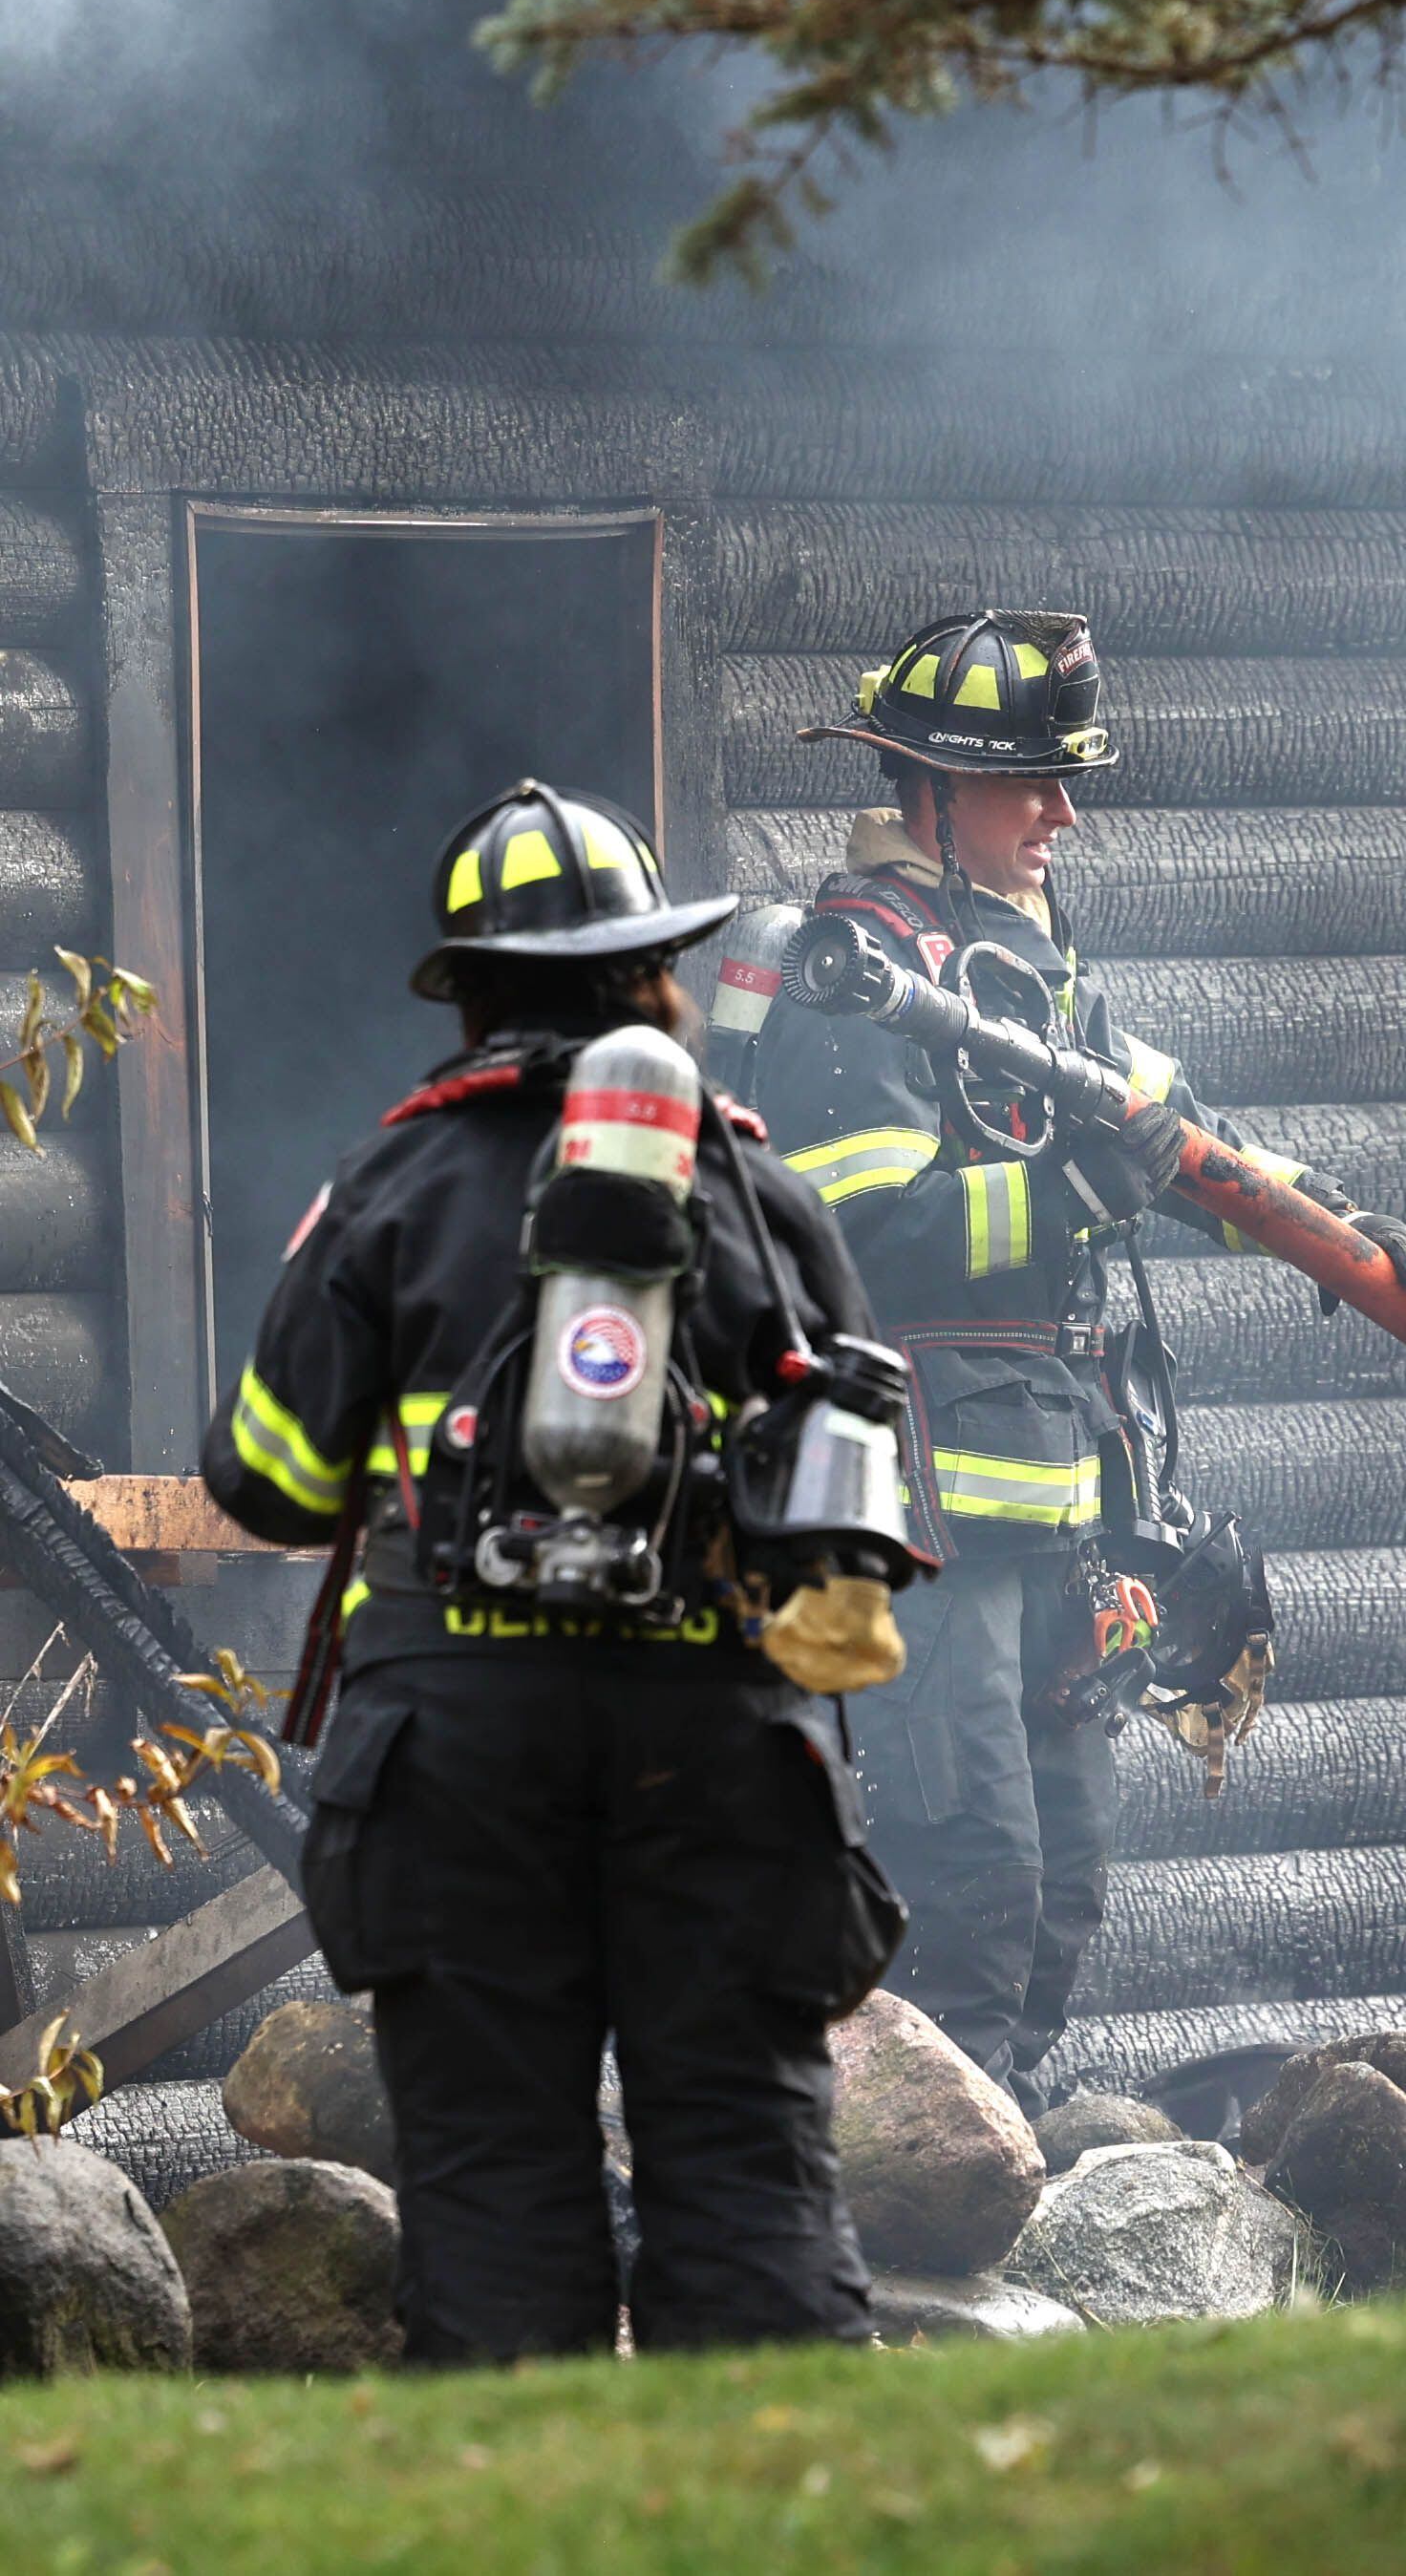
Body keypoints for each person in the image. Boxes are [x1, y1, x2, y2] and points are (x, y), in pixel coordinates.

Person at [202, 779, 890, 2361]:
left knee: (498, 2173)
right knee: (743, 2159)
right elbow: (858, 1491)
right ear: (653, 973)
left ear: (476, 990)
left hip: (455, 1747)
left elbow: (271, 1481)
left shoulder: (384, 1186)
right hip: (717, 1734)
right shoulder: (756, 1189)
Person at [748, 608, 1406, 2102]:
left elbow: (1184, 1149)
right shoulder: (848, 978)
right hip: (914, 1514)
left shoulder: (1034, 969)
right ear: (929, 791)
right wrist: (1072, 1192)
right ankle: (914, 2219)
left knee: (1063, 1882)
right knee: (972, 1880)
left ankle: (992, 2191)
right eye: (1032, 786)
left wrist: (1334, 1227)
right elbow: (859, 1234)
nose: (1064, 814)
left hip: (1056, 1506)